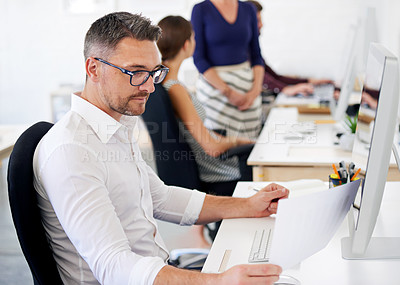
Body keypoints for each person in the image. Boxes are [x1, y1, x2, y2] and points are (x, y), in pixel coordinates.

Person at [33, 12, 288, 285]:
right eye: (136, 72)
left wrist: (247, 205)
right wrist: (217, 281)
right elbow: (113, 266)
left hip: (155, 269)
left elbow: (160, 197)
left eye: (155, 72)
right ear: (93, 69)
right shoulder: (71, 151)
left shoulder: (115, 127)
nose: (149, 87)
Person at [157, 15, 255, 247]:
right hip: (214, 171)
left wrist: (232, 139)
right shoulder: (175, 88)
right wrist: (242, 140)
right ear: (186, 44)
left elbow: (203, 135)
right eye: (192, 37)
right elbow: (210, 147)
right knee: (258, 161)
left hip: (196, 166)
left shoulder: (163, 85)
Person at [191, 0, 265, 140]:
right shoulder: (201, 10)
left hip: (248, 90)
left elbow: (257, 56)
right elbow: (199, 58)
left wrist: (255, 91)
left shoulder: (248, 9)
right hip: (215, 89)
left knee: (250, 144)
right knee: (220, 143)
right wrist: (228, 92)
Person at [246, 0, 333, 97]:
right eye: (257, 20)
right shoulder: (241, 51)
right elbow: (261, 77)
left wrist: (309, 81)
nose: (261, 25)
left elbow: (275, 77)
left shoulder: (252, 50)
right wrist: (285, 89)